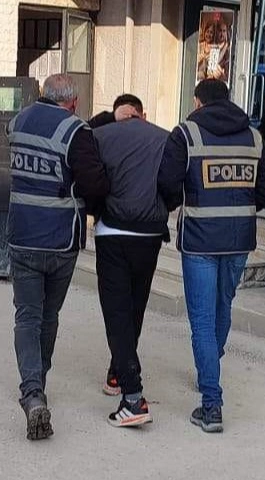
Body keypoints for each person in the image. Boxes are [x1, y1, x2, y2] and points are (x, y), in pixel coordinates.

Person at [158, 79, 265, 433]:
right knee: (222, 307)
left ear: (199, 102)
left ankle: (211, 404)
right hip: (239, 239)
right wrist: (242, 209)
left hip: (200, 240)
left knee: (201, 320)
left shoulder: (186, 134)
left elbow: (167, 184)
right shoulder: (254, 137)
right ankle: (209, 368)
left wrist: (179, 205)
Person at [6, 74, 109, 440]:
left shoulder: (18, 122)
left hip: (22, 235)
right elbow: (95, 184)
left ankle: (32, 392)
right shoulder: (76, 132)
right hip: (60, 239)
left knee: (27, 316)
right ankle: (38, 384)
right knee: (48, 315)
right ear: (73, 102)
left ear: (43, 94)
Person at [92, 95, 170, 427]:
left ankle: (133, 397)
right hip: (150, 234)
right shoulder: (165, 138)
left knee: (116, 311)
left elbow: (88, 173)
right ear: (143, 113)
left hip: (112, 232)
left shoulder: (100, 135)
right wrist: (161, 210)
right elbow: (173, 185)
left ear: (117, 113)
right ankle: (117, 372)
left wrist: (97, 210)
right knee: (135, 307)